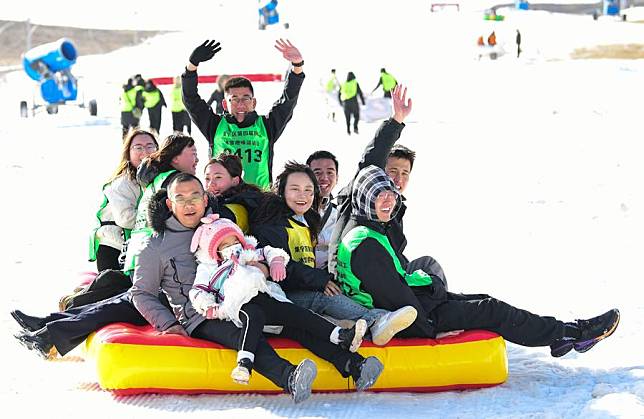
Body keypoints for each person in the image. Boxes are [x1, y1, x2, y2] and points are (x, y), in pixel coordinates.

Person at [131, 173, 385, 402]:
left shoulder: (219, 228)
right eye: (180, 198)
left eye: (195, 196)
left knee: (293, 322)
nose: (189, 204)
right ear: (169, 204)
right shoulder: (155, 246)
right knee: (246, 336)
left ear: (205, 199)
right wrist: (169, 324)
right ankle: (288, 377)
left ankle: (354, 366)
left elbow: (249, 252)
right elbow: (141, 293)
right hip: (203, 316)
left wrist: (263, 268)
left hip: (245, 298)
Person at [336, 163, 620, 357]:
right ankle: (570, 333)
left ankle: (561, 335)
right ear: (364, 199)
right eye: (379, 196)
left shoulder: (369, 230)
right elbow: (396, 301)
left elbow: (396, 285)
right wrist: (430, 333)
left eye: (390, 194)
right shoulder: (365, 244)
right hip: (416, 316)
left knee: (484, 300)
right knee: (492, 310)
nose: (388, 201)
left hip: (422, 301)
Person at [189, 215, 374, 385]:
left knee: (301, 320)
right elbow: (198, 291)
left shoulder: (249, 253)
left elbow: (270, 251)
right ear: (215, 250)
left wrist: (276, 262)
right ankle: (247, 365)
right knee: (257, 317)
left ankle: (348, 352)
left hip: (269, 301)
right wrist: (209, 306)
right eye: (225, 244)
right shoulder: (211, 268)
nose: (233, 246)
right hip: (241, 310)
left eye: (235, 240)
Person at [251, 162, 418, 345]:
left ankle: (364, 326)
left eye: (308, 190)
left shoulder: (306, 222)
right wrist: (320, 280)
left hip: (301, 289)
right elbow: (282, 269)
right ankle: (376, 320)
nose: (303, 196)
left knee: (338, 290)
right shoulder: (272, 226)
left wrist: (327, 278)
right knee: (324, 296)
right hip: (280, 297)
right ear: (282, 191)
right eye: (295, 189)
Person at [329, 85, 448, 292]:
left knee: (428, 267)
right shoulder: (360, 196)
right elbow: (371, 159)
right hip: (359, 282)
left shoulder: (394, 207)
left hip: (388, 272)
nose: (398, 179)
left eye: (405, 174)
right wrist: (396, 121)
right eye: (392, 171)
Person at [182, 38, 305, 189]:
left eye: (246, 98)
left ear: (254, 102)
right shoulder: (214, 126)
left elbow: (288, 100)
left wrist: (297, 66)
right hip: (223, 200)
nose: (240, 103)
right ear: (225, 104)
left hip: (260, 202)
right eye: (234, 99)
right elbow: (190, 99)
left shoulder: (267, 126)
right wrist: (191, 66)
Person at [122, 133, 199, 274]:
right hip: (157, 258)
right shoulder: (177, 182)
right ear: (175, 158)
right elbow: (194, 217)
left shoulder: (156, 180)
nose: (198, 159)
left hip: (136, 257)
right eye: (193, 154)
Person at [89, 129, 158, 272]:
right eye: (138, 147)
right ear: (128, 152)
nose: (145, 151)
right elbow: (126, 219)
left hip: (136, 247)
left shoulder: (155, 178)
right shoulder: (123, 182)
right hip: (113, 247)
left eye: (150, 146)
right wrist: (161, 219)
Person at [305, 150, 339, 270]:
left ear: (337, 178)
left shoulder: (341, 215)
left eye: (330, 172)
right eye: (317, 173)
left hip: (332, 281)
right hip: (299, 281)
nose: (324, 178)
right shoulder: (292, 211)